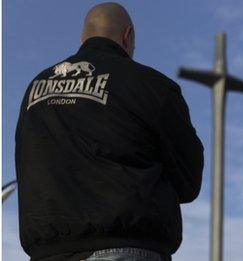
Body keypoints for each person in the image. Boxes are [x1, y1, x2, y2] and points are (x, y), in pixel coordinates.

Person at [15, 2, 204, 261]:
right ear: (128, 36)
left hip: (46, 251)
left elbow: (26, 162)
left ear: (83, 38)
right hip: (124, 247)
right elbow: (189, 181)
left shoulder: (34, 89)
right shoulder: (152, 86)